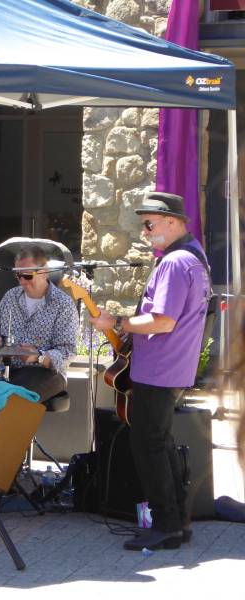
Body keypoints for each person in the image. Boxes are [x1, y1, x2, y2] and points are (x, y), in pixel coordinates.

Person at [88, 191, 211, 551]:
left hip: (159, 369)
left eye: (149, 224)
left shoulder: (174, 263)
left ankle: (167, 526)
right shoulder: (196, 256)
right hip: (173, 368)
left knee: (149, 448)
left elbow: (163, 321)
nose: (145, 232)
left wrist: (119, 322)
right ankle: (177, 523)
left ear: (173, 222)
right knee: (161, 444)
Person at [0, 244, 79, 402]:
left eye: (27, 276)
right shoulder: (10, 297)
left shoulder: (63, 304)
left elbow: (68, 352)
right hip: (7, 368)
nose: (22, 282)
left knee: (11, 397)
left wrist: (38, 357)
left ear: (44, 272)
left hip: (46, 372)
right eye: (18, 276)